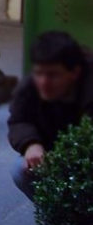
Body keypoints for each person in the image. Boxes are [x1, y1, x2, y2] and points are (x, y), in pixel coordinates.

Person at [8, 30, 93, 199]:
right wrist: (31, 144)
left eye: (53, 75)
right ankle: (55, 217)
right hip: (54, 154)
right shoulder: (29, 88)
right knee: (20, 169)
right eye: (39, 73)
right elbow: (19, 120)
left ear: (74, 73)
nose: (44, 83)